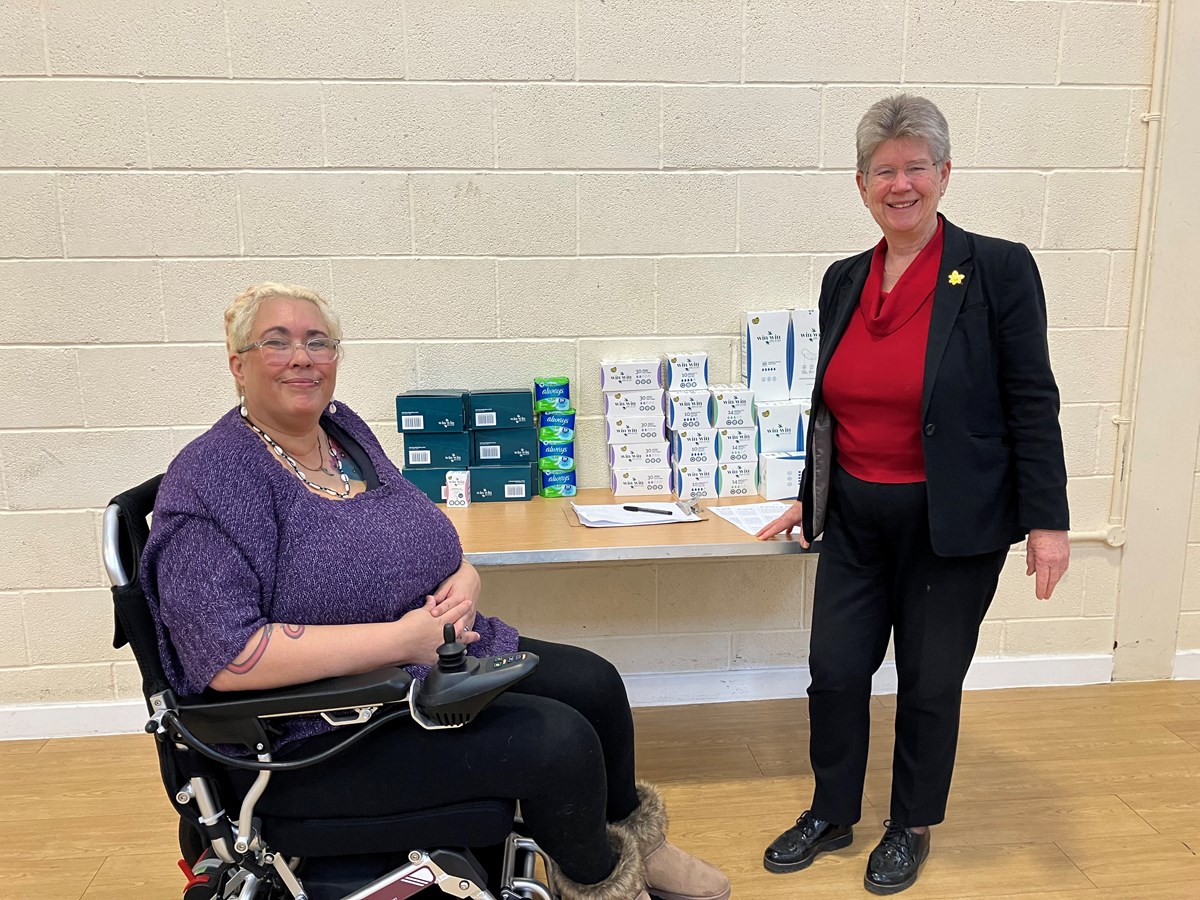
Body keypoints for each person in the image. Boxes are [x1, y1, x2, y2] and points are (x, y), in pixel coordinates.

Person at [141, 282, 731, 900]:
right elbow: (230, 658)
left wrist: (464, 579)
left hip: (424, 666)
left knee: (595, 684)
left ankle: (639, 844)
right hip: (320, 731)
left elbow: (422, 530)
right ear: (238, 364)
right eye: (277, 342)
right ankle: (601, 880)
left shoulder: (340, 435)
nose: (302, 358)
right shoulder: (213, 480)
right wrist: (401, 640)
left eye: (318, 342)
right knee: (559, 742)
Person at [756, 95, 1070, 895]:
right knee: (834, 670)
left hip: (950, 523)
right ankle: (833, 810)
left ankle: (911, 824)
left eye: (916, 168)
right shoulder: (843, 279)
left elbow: (1031, 399)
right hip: (857, 516)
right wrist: (808, 494)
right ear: (861, 185)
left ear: (945, 174)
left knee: (930, 683)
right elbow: (832, 405)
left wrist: (1048, 522)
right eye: (884, 171)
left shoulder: (996, 268)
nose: (902, 185)